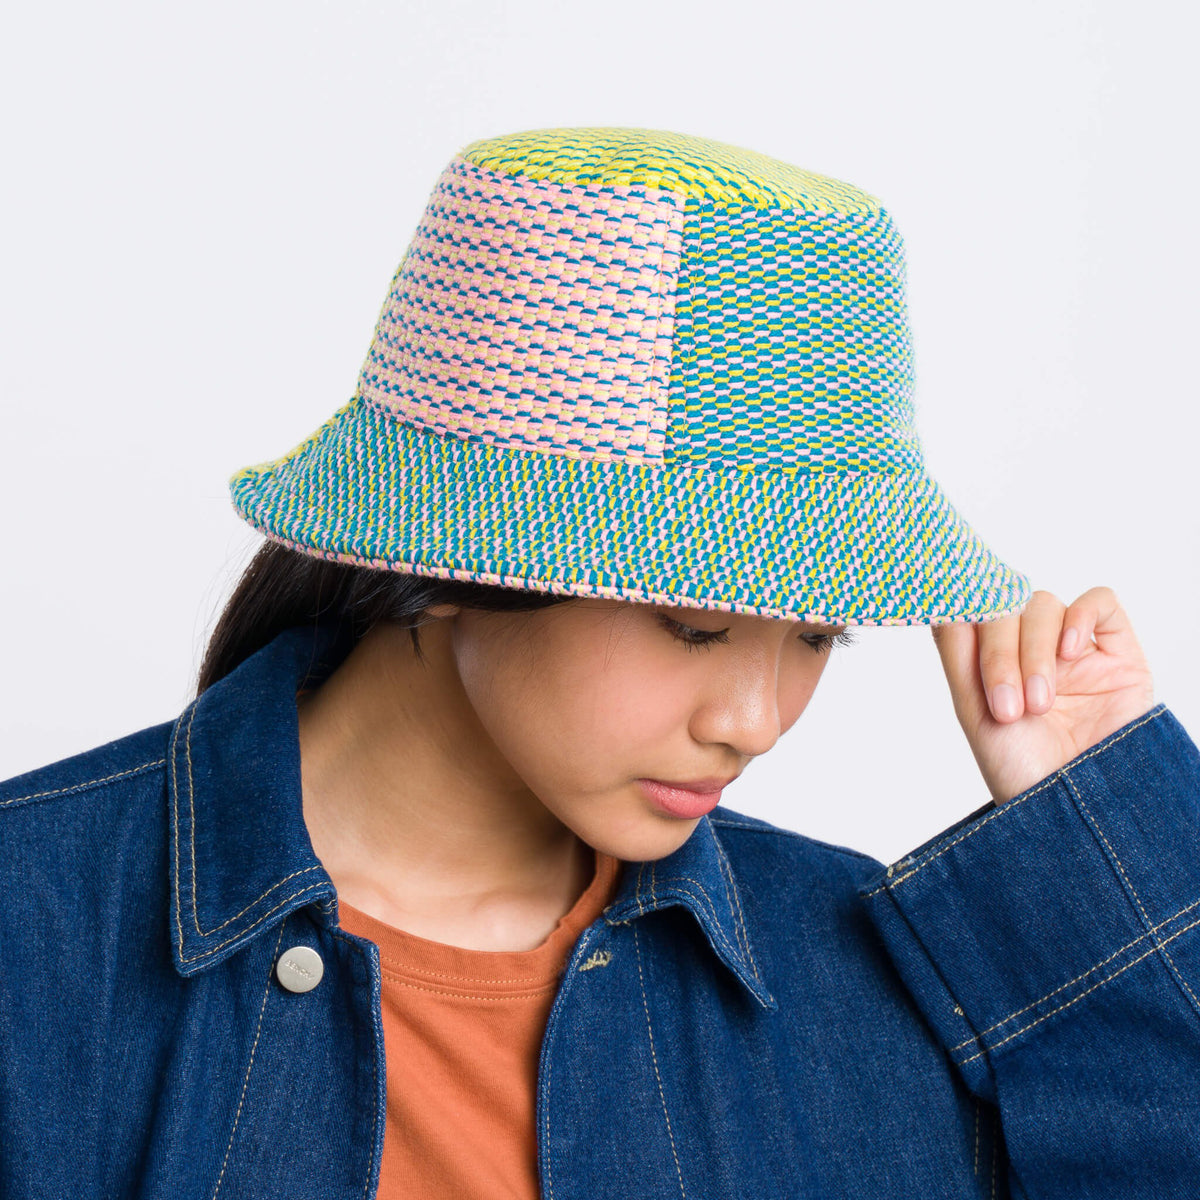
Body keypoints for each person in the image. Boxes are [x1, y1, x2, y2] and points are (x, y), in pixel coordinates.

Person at [1, 125, 1196, 1200]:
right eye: (697, 624)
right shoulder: (36, 930)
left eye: (819, 635)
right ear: (457, 553)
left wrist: (1095, 851)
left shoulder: (867, 987)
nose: (758, 719)